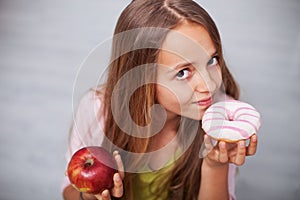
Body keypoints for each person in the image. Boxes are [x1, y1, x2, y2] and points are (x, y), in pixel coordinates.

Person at [62, 0, 258, 199]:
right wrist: (88, 196)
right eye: (182, 73)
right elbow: (68, 191)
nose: (208, 85)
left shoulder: (223, 120)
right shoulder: (97, 109)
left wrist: (216, 165)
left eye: (211, 60)